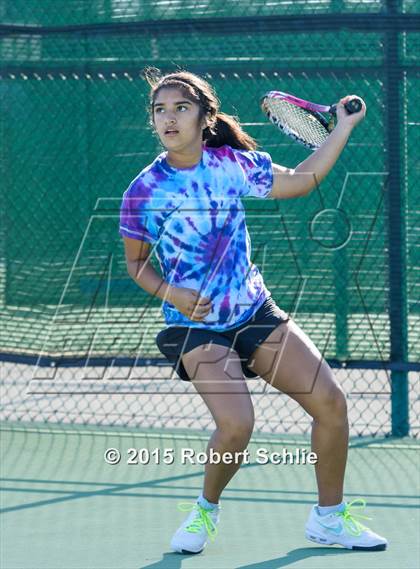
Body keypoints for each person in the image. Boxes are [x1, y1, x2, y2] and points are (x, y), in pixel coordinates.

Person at [119, 67, 388, 554]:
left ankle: (329, 519)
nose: (169, 118)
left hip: (253, 310)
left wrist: (343, 128)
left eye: (181, 108)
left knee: (331, 403)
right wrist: (172, 295)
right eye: (160, 110)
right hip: (193, 324)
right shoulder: (142, 191)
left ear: (205, 117)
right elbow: (137, 265)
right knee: (238, 425)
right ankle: (205, 511)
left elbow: (302, 180)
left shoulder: (230, 165)